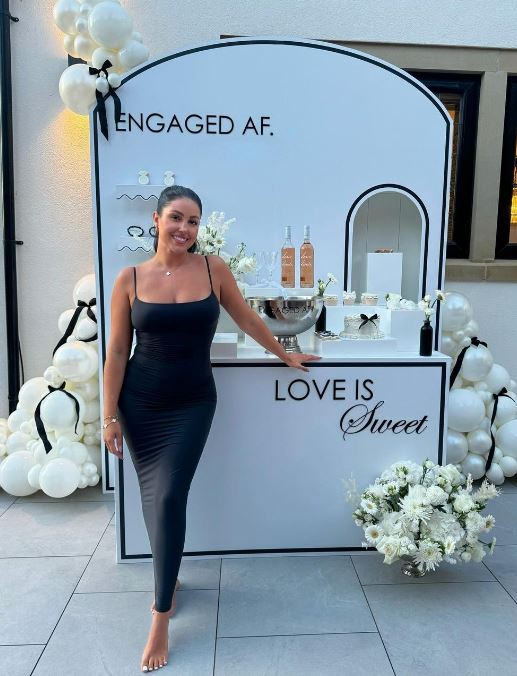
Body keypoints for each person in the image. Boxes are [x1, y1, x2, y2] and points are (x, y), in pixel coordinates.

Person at [102, 185, 320, 672]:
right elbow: (117, 352)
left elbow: (245, 318)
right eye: (176, 217)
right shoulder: (129, 279)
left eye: (194, 221)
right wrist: (109, 415)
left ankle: (160, 616)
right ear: (155, 219)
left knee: (169, 495)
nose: (184, 228)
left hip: (193, 403)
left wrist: (285, 353)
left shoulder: (212, 269)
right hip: (140, 402)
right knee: (151, 495)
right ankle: (168, 576)